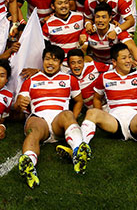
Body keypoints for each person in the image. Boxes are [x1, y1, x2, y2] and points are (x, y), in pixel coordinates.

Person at [70, 43, 137, 176]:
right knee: (91, 112)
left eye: (130, 57)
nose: (129, 61)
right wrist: (102, 113)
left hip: (135, 123)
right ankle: (81, 150)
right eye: (124, 58)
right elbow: (97, 98)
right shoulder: (105, 77)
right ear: (114, 62)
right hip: (115, 123)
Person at [14, 45, 90, 189]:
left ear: (61, 63)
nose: (50, 63)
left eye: (55, 60)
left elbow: (79, 100)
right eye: (47, 59)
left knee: (67, 114)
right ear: (42, 61)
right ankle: (29, 164)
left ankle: (78, 152)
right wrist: (20, 103)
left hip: (59, 120)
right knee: (34, 129)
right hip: (39, 118)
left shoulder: (69, 79)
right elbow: (18, 105)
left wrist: (71, 121)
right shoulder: (31, 80)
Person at [81, 3, 137, 73]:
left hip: (115, 67)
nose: (100, 20)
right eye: (97, 17)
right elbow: (81, 53)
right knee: (86, 59)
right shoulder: (88, 31)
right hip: (97, 67)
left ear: (110, 18)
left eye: (103, 17)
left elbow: (132, 48)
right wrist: (81, 44)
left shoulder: (117, 30)